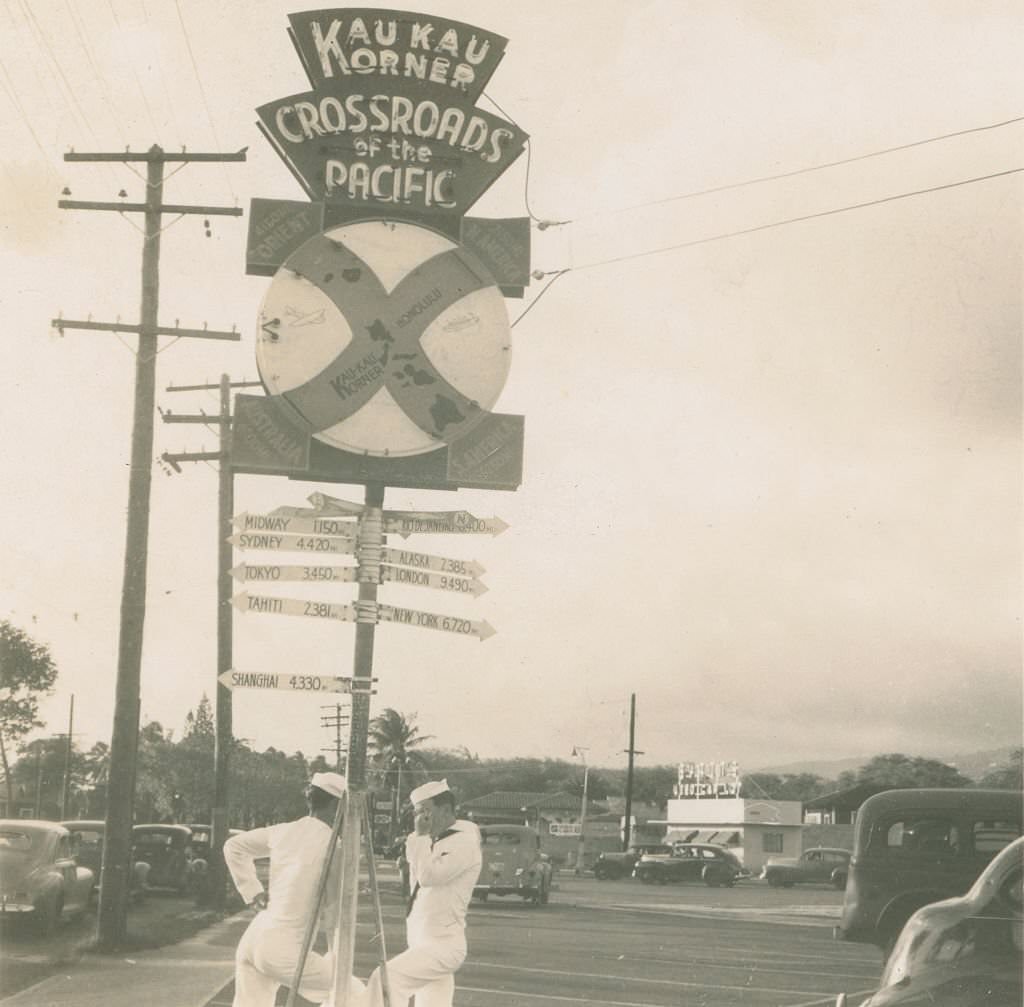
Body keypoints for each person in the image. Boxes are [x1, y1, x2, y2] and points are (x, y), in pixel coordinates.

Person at [224, 771, 365, 1007]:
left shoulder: (282, 830)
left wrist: (252, 891)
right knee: (354, 992)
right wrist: (337, 956)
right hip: (282, 950)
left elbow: (233, 846)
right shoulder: (334, 846)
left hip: (254, 938)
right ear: (336, 806)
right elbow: (333, 909)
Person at [359, 779, 482, 1007]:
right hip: (422, 939)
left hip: (442, 945)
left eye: (425, 812)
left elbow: (428, 877)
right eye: (417, 813)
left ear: (445, 810)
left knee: (386, 980)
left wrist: (420, 837)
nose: (420, 819)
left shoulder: (464, 842)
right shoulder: (436, 841)